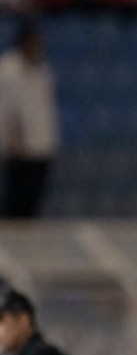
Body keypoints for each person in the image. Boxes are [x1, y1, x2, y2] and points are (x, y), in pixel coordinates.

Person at [0, 19, 59, 218]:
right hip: (18, 149)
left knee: (33, 204)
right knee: (15, 203)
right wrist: (11, 140)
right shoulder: (8, 70)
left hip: (40, 147)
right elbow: (6, 108)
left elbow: (45, 108)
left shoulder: (42, 69)